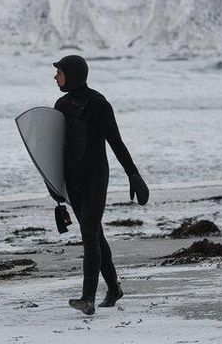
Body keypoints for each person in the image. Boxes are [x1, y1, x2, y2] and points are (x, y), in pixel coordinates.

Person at [52, 54, 149, 316]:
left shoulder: (98, 104)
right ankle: (114, 289)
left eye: (59, 72)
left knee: (89, 234)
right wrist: (55, 188)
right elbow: (54, 150)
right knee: (95, 234)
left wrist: (134, 175)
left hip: (95, 176)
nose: (55, 77)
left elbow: (116, 142)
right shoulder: (60, 105)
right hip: (73, 180)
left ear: (72, 74)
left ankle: (87, 297)